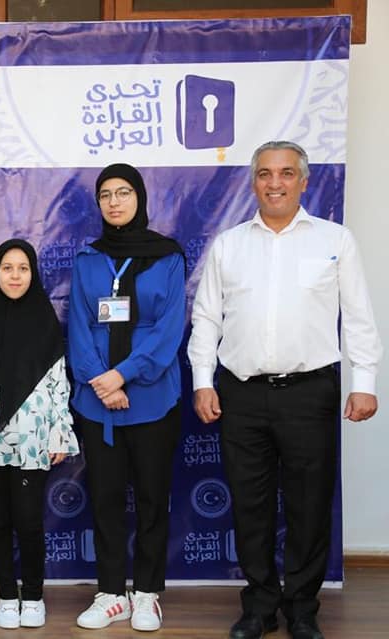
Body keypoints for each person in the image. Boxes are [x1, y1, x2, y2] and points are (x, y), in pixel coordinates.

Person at [188, 141, 382, 639]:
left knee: (309, 506)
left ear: (304, 181)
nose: (275, 183)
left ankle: (302, 609)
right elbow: (206, 318)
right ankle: (258, 608)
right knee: (249, 506)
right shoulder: (229, 244)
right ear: (253, 181)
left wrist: (364, 382)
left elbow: (358, 316)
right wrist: (203, 382)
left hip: (309, 392)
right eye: (265, 174)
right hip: (242, 394)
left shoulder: (335, 240)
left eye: (287, 173)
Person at [67, 163, 186, 632]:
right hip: (97, 402)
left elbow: (168, 329)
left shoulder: (168, 257)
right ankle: (112, 592)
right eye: (105, 195)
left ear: (139, 197)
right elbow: (79, 327)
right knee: (106, 498)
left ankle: (147, 593)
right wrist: (101, 380)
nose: (114, 202)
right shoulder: (87, 259)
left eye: (123, 192)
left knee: (154, 499)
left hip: (152, 398)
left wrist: (123, 375)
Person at [0, 238, 79, 629]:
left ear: (33, 274)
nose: (14, 276)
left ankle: (34, 596)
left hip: (33, 439)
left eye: (23, 268)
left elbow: (59, 383)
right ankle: (7, 596)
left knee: (28, 521)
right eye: (7, 268)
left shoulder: (46, 323)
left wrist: (59, 431)